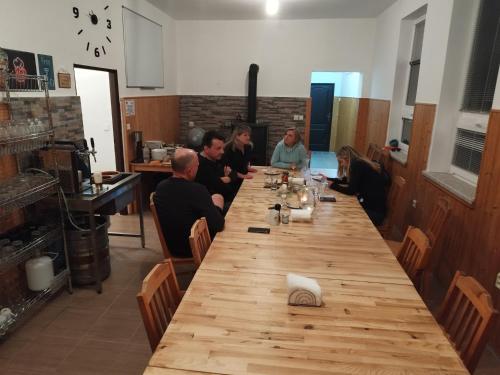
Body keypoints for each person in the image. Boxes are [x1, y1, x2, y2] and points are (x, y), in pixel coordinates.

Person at [154, 148, 225, 258]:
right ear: (189, 170)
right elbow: (218, 225)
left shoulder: (160, 187)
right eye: (197, 165)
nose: (198, 168)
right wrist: (217, 206)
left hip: (173, 246)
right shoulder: (197, 190)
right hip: (194, 246)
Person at [328, 145, 389, 226]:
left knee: (342, 215)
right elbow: (348, 180)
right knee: (342, 210)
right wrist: (329, 179)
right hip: (371, 206)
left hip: (374, 213)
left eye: (341, 162)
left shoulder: (357, 165)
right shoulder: (359, 162)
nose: (341, 165)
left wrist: (332, 185)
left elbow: (351, 191)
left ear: (347, 158)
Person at [195, 130, 237, 203]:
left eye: (222, 148)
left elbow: (234, 173)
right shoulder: (199, 164)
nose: (222, 152)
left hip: (228, 198)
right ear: (206, 148)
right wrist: (228, 178)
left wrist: (226, 179)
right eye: (218, 148)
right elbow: (219, 187)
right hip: (214, 204)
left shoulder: (219, 158)